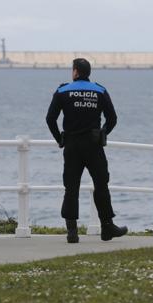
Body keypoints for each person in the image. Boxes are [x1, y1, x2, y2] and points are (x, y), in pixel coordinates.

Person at [46, 58, 128, 243]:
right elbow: (112, 118)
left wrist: (60, 138)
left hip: (72, 145)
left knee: (71, 187)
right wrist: (102, 133)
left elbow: (50, 118)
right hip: (94, 145)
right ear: (88, 72)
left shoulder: (62, 91)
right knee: (101, 184)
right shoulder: (100, 90)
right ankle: (107, 227)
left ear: (75, 72)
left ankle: (72, 232)